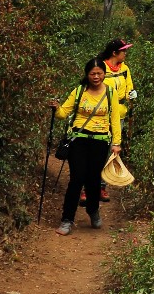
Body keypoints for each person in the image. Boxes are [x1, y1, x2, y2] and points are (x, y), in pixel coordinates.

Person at [52, 60, 122, 235]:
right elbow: (63, 114)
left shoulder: (110, 93)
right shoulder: (79, 92)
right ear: (87, 74)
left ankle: (93, 210)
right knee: (76, 179)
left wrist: (116, 143)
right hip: (79, 139)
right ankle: (67, 219)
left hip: (100, 141)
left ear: (104, 74)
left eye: (99, 73)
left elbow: (114, 119)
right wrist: (56, 108)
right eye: (93, 74)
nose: (96, 77)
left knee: (93, 179)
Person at [95, 40, 135, 202]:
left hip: (119, 115)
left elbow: (128, 89)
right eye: (123, 51)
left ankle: (101, 187)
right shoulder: (100, 67)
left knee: (111, 152)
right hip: (100, 114)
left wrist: (131, 94)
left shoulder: (125, 69)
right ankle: (87, 187)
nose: (125, 53)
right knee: (96, 150)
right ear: (114, 53)